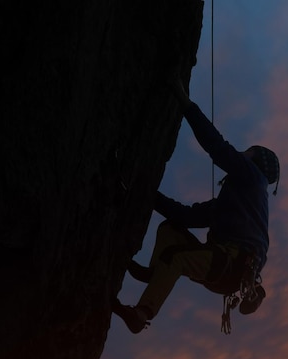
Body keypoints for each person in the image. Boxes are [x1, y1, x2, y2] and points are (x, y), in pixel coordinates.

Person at [112, 77, 279, 334]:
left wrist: (185, 103)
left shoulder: (253, 178)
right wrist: (147, 194)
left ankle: (142, 312)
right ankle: (156, 273)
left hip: (231, 262)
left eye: (249, 152)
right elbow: (187, 216)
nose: (243, 154)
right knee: (171, 228)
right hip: (226, 269)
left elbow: (218, 147)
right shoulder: (235, 204)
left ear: (256, 161)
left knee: (175, 257)